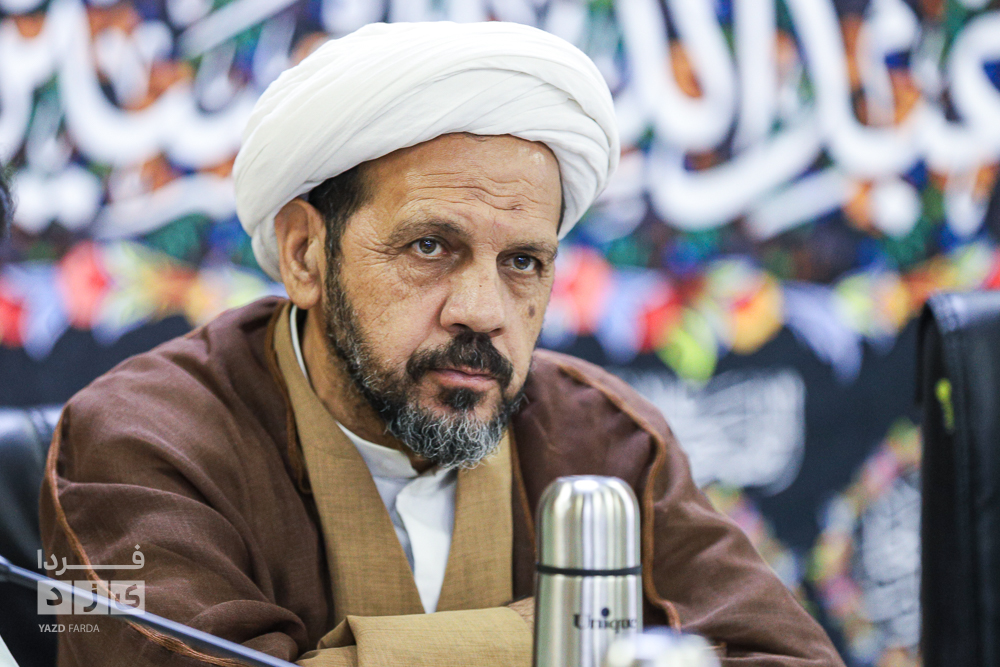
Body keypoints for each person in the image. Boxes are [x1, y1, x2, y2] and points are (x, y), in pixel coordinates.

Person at [40, 21, 844, 667]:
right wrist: (579, 639)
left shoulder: (607, 442)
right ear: (305, 254)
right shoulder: (135, 441)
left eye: (522, 262)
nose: (483, 311)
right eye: (430, 247)